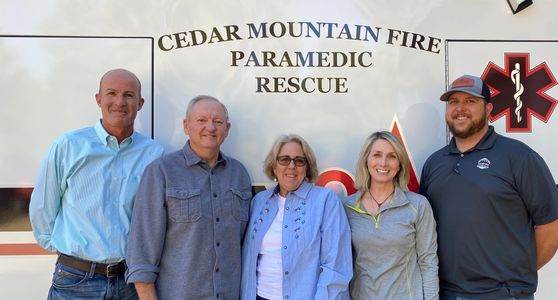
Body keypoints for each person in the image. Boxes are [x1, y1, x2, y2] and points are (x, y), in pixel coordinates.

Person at [419, 74, 558, 300]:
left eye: (470, 101)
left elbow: (552, 228)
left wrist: (516, 278)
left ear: (488, 109)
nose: (460, 109)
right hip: (446, 294)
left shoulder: (519, 157)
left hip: (502, 295)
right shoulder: (434, 163)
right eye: (453, 102)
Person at [29, 68, 165, 299]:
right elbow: (42, 211)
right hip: (76, 282)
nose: (119, 102)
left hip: (130, 283)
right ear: (98, 99)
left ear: (140, 103)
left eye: (129, 95)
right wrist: (73, 256)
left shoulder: (155, 154)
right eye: (111, 93)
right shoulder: (69, 146)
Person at [125, 95, 252, 299]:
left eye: (218, 122)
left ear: (226, 129)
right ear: (186, 126)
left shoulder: (239, 175)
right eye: (201, 120)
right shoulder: (161, 172)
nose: (210, 127)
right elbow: (142, 249)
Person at [241, 134, 353, 300]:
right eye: (284, 159)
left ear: (307, 168)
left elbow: (336, 266)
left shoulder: (325, 201)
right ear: (273, 166)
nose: (291, 166)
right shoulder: (259, 201)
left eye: (299, 160)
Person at [343, 131, 438, 300]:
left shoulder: (417, 205)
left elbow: (428, 262)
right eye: (377, 155)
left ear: (400, 163)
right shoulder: (347, 207)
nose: (383, 163)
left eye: (392, 156)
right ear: (366, 159)